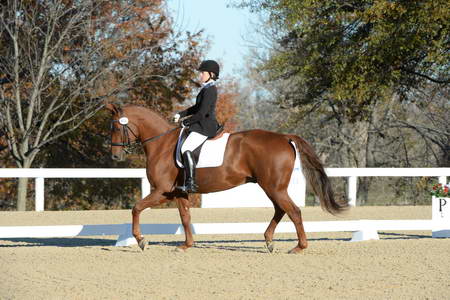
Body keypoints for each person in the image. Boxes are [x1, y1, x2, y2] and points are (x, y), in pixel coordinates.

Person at [173, 60, 221, 193]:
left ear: (211, 74)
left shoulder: (211, 90)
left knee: (186, 148)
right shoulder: (206, 88)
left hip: (205, 126)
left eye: (202, 73)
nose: (200, 75)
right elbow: (196, 108)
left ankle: (191, 184)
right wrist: (180, 114)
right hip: (200, 124)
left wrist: (186, 122)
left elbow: (201, 113)